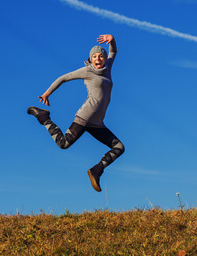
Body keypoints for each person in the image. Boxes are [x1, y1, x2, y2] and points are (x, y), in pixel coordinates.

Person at [27, 34, 125, 192]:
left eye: (101, 56)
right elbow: (64, 78)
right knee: (63, 144)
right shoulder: (87, 71)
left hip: (97, 123)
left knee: (119, 147)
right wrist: (46, 94)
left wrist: (112, 39)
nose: (98, 58)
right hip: (84, 117)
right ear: (90, 59)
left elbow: (113, 51)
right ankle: (43, 117)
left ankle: (96, 170)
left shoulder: (108, 68)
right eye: (94, 56)